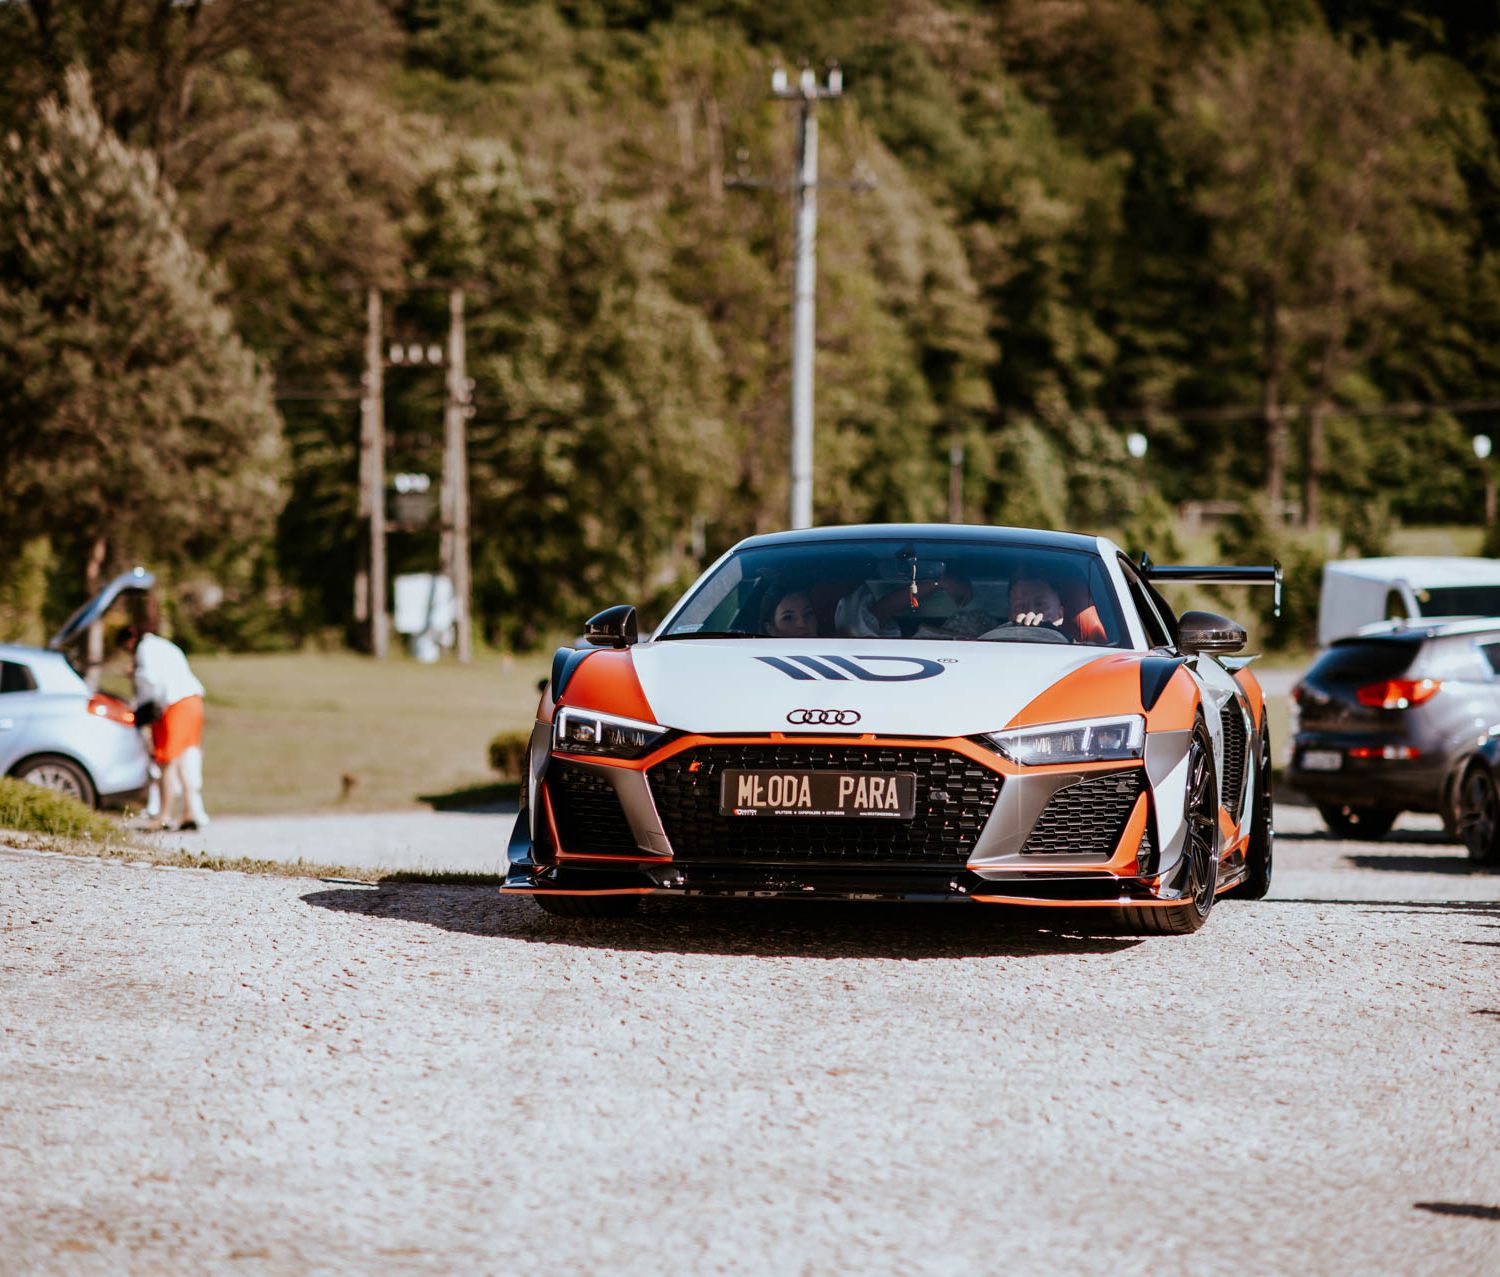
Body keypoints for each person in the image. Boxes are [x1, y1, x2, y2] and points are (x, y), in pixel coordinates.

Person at [115, 623, 210, 831]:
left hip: (175, 705)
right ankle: (189, 813)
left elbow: (150, 679)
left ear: (129, 642)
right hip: (194, 702)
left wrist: (135, 676)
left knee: (167, 762)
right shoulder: (163, 645)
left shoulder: (145, 651)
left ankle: (163, 817)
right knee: (184, 759)